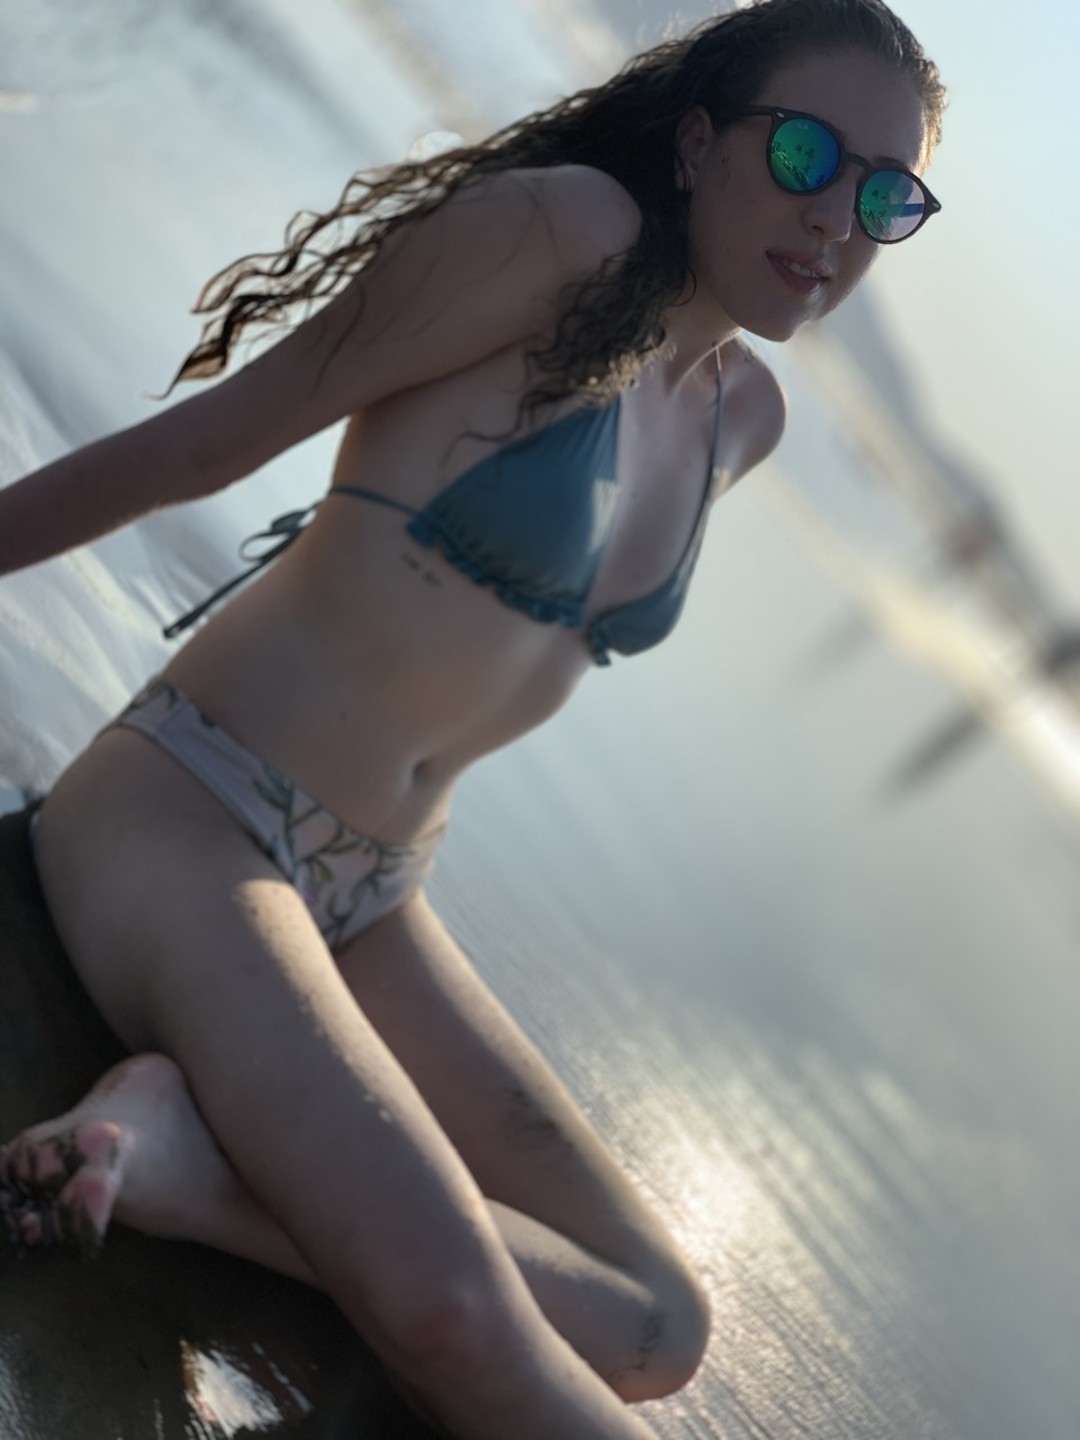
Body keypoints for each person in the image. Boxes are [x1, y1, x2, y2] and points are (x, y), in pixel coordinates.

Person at [0, 1, 945, 1434]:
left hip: (375, 895)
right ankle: (211, 1156)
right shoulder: (558, 235)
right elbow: (204, 443)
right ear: (698, 140)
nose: (835, 216)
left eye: (886, 197)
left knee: (661, 1326)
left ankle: (189, 1167)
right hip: (191, 815)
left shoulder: (741, 419)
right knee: (455, 1314)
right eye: (806, 154)